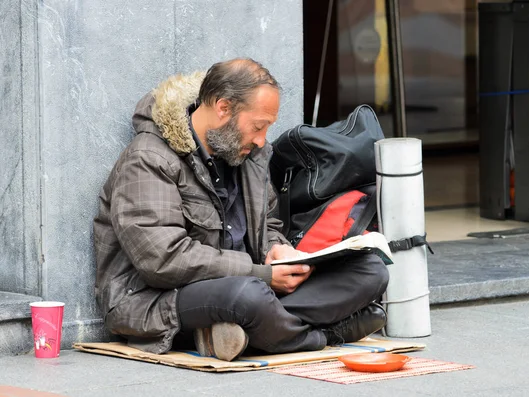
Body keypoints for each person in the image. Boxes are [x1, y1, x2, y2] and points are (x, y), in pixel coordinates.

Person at [93, 58, 389, 361]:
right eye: (258, 126)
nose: (262, 139)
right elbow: (163, 261)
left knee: (370, 271)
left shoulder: (249, 155)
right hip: (156, 300)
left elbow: (270, 224)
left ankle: (241, 333)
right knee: (247, 296)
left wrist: (278, 250)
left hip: (251, 285)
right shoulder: (149, 159)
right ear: (223, 108)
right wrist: (261, 274)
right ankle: (326, 335)